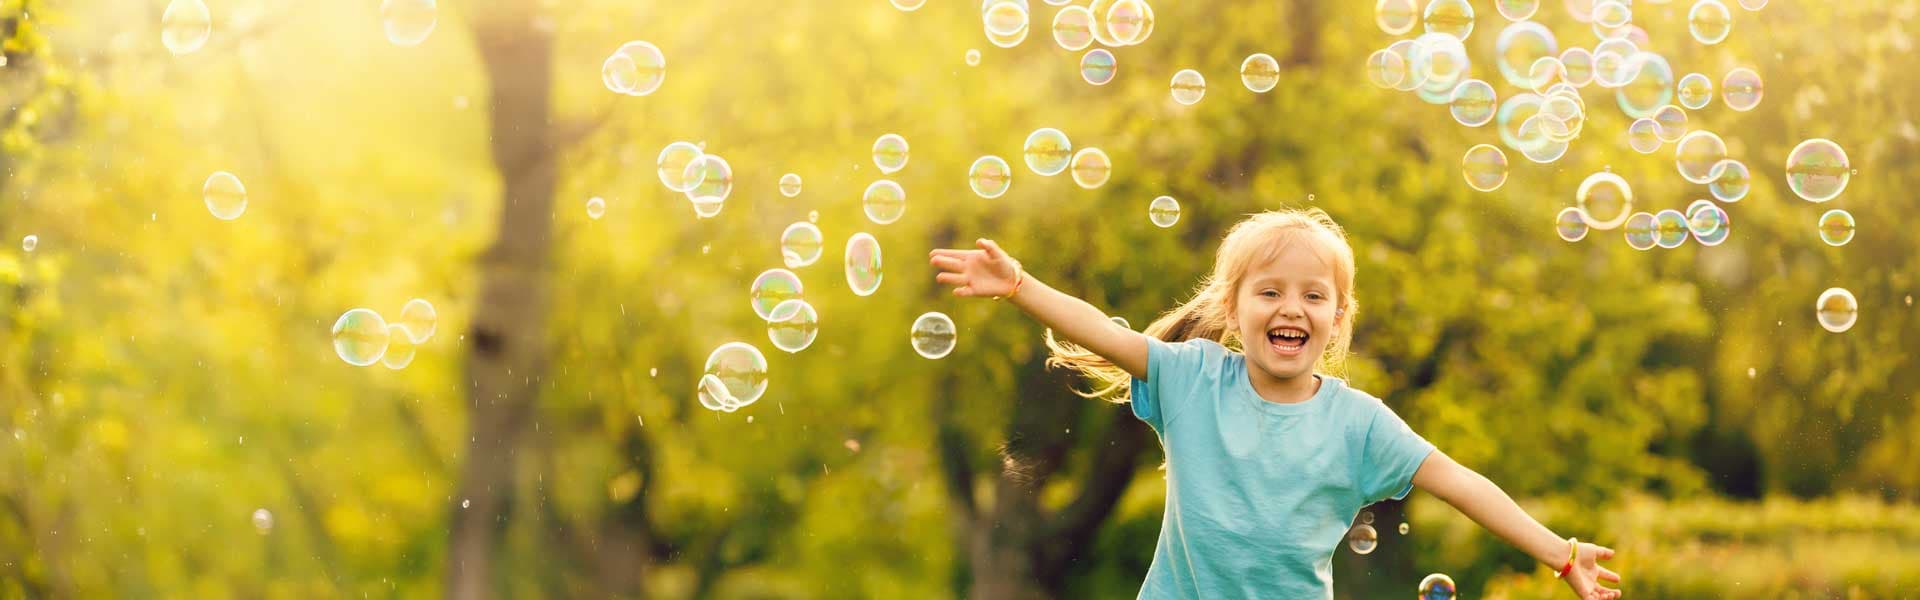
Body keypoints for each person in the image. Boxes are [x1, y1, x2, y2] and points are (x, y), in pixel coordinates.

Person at [929, 208, 1623, 600]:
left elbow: (1462, 484)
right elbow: (1103, 334)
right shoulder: (1194, 379)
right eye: (1270, 292)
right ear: (1232, 310)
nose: (1292, 307)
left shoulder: (1359, 425)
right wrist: (1020, 284)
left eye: (1314, 295)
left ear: (1337, 318)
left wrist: (1560, 554)